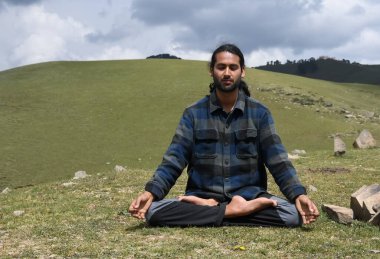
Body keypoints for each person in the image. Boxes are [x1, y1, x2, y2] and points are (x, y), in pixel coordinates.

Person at [129, 43, 319, 227]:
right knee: (153, 210)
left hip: (249, 197)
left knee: (293, 215)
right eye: (221, 67)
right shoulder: (193, 113)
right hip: (202, 197)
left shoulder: (260, 113)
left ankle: (217, 213)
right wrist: (151, 192)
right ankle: (235, 212)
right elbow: (174, 159)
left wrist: (298, 195)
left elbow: (278, 161)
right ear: (212, 71)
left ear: (242, 71)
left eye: (232, 67)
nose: (227, 73)